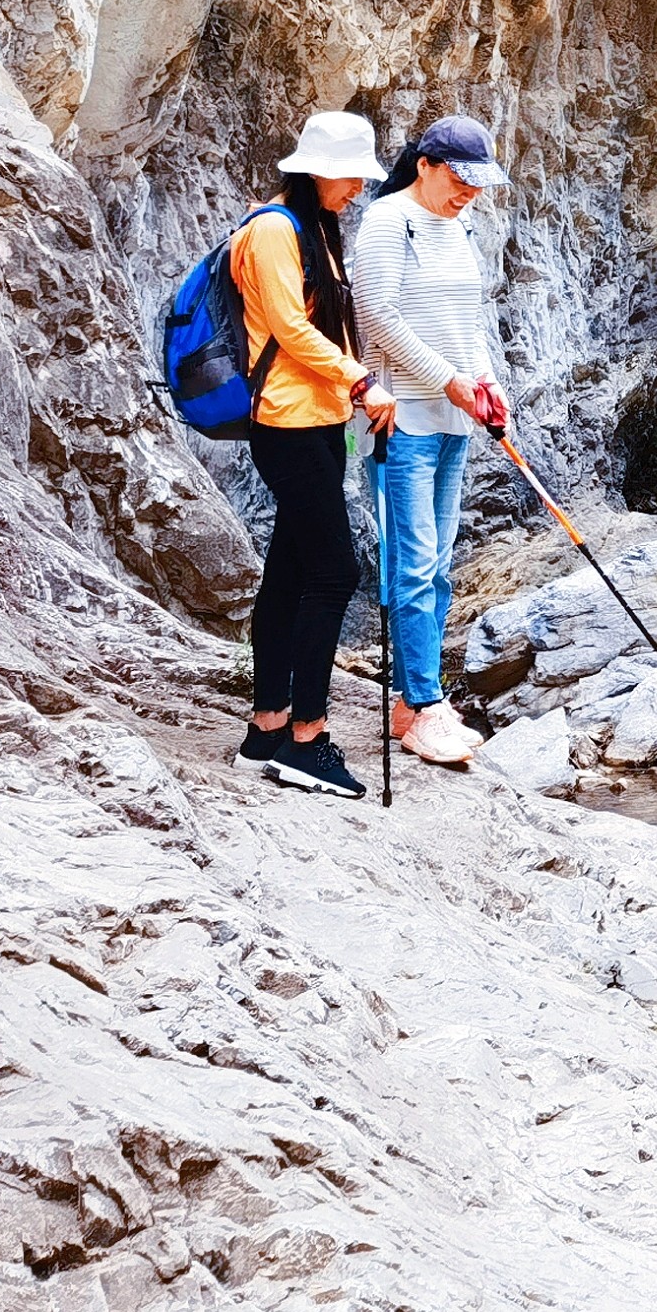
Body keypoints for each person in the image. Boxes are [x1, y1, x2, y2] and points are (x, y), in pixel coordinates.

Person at [235, 110, 404, 798]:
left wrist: (357, 393)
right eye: (349, 178)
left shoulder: (316, 230)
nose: (357, 191)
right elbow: (289, 327)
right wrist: (359, 381)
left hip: (317, 419)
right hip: (285, 420)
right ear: (317, 172)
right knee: (334, 572)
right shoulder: (275, 229)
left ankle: (266, 727)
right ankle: (307, 739)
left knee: (291, 570)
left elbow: (328, 326)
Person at [349, 113, 513, 769]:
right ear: (424, 165)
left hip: (451, 415)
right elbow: (377, 316)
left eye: (478, 182)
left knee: (437, 564)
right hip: (401, 418)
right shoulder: (388, 222)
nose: (469, 191)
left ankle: (409, 704)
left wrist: (484, 380)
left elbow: (468, 317)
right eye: (459, 178)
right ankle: (424, 706)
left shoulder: (458, 225)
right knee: (413, 565)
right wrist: (448, 381)